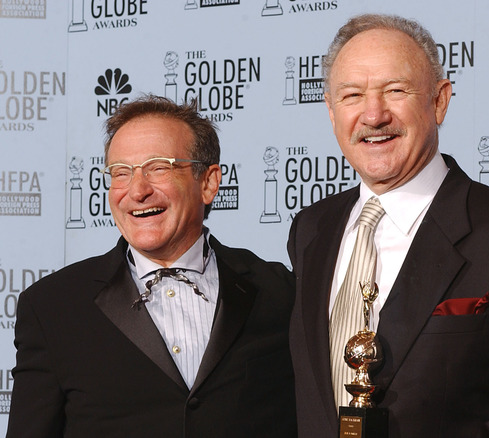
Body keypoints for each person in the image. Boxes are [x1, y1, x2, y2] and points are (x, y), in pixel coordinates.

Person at [287, 13, 489, 438]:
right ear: (330, 110)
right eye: (352, 95)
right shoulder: (311, 229)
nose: (373, 114)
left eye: (395, 91)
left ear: (439, 100)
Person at [8, 95, 297, 438]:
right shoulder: (53, 306)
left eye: (158, 167)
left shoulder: (280, 291)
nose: (137, 190)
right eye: (121, 173)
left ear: (208, 182)